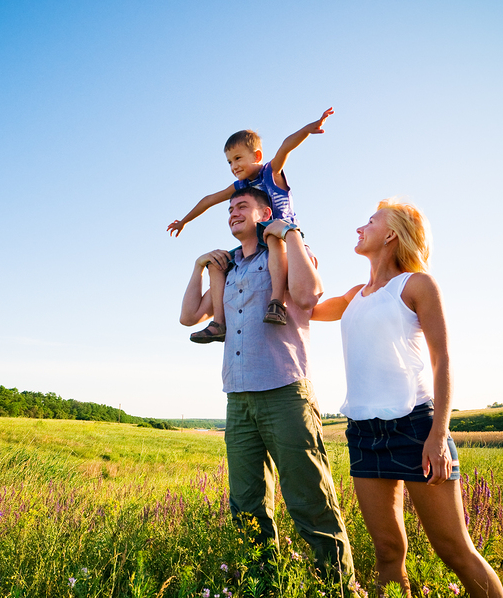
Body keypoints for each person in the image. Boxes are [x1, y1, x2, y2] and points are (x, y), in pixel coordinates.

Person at [305, 199, 503, 597]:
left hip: (415, 428)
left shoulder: (416, 285)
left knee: (454, 549)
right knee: (387, 551)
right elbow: (305, 307)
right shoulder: (354, 296)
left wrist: (438, 435)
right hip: (363, 433)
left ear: (391, 235)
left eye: (370, 222)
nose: (360, 228)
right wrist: (297, 253)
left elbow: (442, 360)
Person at [179, 186, 356, 591]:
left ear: (264, 213)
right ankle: (263, 585)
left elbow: (309, 296)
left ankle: (339, 588)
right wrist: (199, 266)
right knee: (246, 506)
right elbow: (188, 316)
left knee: (310, 499)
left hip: (285, 391)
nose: (232, 213)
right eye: (229, 209)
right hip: (238, 397)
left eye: (241, 206)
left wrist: (290, 233)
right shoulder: (228, 269)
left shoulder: (285, 251)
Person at [169, 107, 335, 343]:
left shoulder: (270, 172)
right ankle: (219, 323)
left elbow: (285, 147)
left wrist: (308, 129)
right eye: (229, 162)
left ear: (257, 156)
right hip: (258, 241)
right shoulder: (241, 186)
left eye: (238, 158)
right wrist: (184, 221)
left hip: (282, 234)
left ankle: (276, 302)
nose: (233, 166)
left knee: (272, 236)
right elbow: (209, 199)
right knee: (217, 264)